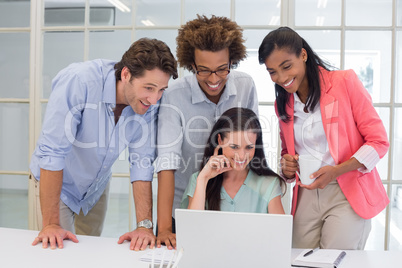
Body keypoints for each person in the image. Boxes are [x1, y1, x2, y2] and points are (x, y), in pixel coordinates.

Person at [30, 38, 178, 250]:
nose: (154, 99)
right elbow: (52, 152)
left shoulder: (151, 102)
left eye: (162, 90)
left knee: (90, 252)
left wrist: (144, 227)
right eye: (149, 88)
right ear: (126, 74)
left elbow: (142, 162)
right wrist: (51, 223)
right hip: (59, 183)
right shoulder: (79, 81)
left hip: (95, 187)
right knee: (60, 253)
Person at [258, 27, 389, 250]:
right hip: (306, 193)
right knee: (298, 258)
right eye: (272, 72)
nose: (281, 78)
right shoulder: (284, 104)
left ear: (303, 55)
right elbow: (287, 153)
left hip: (346, 190)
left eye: (286, 66)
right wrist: (287, 166)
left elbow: (378, 142)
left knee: (335, 260)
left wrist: (336, 170)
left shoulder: (344, 82)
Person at [154, 15, 259, 249]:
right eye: (204, 70)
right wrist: (163, 228)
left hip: (232, 207)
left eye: (222, 69)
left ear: (233, 60)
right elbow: (167, 162)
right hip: (184, 207)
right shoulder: (174, 95)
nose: (214, 79)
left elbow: (252, 145)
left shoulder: (245, 85)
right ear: (191, 65)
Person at [181, 107, 285, 214]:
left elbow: (279, 230)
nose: (241, 156)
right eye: (234, 147)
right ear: (220, 140)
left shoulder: (269, 184)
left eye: (249, 147)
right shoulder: (199, 179)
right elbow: (193, 227)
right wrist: (203, 179)